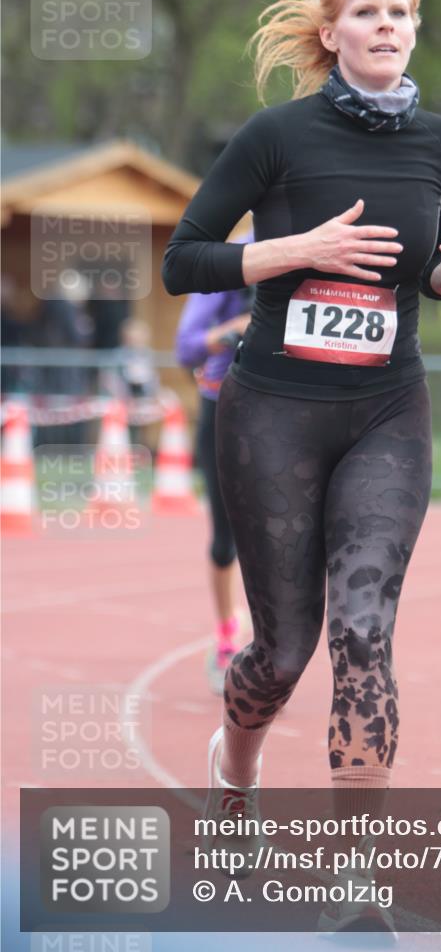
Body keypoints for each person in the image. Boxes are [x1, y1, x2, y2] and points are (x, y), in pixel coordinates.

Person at [163, 0, 441, 934]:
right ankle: (237, 762)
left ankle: (357, 878)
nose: (389, 26)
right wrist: (297, 252)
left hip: (388, 410)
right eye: (370, 13)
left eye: (403, 13)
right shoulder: (274, 135)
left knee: (362, 631)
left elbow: (420, 274)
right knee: (285, 646)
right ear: (332, 32)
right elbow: (184, 258)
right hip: (273, 410)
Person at [175, 235, 253, 694]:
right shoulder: (232, 260)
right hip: (223, 410)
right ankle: (227, 635)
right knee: (227, 540)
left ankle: (275, 644)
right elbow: (185, 347)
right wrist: (237, 328)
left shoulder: (322, 242)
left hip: (288, 413)